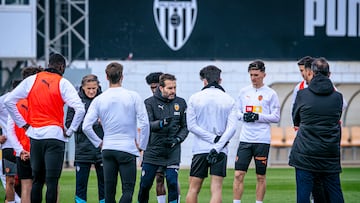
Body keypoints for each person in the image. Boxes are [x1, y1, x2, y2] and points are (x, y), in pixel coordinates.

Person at [5, 53, 86, 203]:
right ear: (62, 67)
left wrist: (23, 124)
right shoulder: (63, 82)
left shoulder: (31, 80)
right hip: (55, 136)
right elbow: (80, 109)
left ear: (49, 64)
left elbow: (9, 101)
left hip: (35, 136)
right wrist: (69, 131)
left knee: (37, 181)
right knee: (52, 182)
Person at [82, 62, 150, 203]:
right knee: (128, 190)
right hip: (127, 148)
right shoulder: (133, 96)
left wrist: (99, 143)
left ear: (106, 77)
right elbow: (144, 123)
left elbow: (86, 126)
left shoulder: (99, 99)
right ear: (122, 76)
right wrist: (142, 145)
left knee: (109, 192)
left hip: (108, 148)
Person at [289, 57, 345, 203]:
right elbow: (336, 118)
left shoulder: (302, 95)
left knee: (303, 195)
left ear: (312, 73)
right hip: (329, 154)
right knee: (334, 193)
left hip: (305, 153)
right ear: (329, 74)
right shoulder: (338, 97)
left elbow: (296, 119)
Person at [185, 65, 237, 203]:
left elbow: (192, 126)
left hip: (200, 148)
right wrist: (217, 144)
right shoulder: (229, 99)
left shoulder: (194, 98)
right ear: (220, 80)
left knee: (193, 188)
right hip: (220, 150)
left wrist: (212, 139)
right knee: (217, 188)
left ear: (205, 81)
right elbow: (232, 129)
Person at [233, 60, 280, 203]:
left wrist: (258, 117)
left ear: (264, 75)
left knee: (260, 176)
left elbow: (276, 117)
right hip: (245, 139)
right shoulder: (244, 91)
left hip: (262, 140)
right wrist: (244, 116)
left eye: (256, 75)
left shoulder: (271, 94)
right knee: (238, 174)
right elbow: (237, 112)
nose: (253, 78)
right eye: (251, 75)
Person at [138, 73, 188, 203]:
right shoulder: (149, 103)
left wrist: (177, 140)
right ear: (161, 88)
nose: (173, 91)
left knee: (172, 182)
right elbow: (147, 124)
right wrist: (161, 123)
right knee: (145, 185)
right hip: (153, 151)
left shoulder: (181, 102)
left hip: (172, 151)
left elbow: (185, 127)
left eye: (174, 88)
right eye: (170, 88)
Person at [6, 66, 44, 203]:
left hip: (22, 153)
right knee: (51, 184)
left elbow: (9, 130)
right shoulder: (41, 101)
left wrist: (20, 150)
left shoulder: (15, 101)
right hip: (39, 150)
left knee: (26, 187)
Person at [65, 74, 105, 203]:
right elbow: (69, 124)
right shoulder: (75, 102)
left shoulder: (104, 99)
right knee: (81, 187)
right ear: (83, 87)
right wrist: (92, 124)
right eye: (89, 88)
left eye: (94, 88)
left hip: (102, 150)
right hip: (83, 150)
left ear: (98, 86)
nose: (92, 91)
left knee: (105, 185)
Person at [145, 71, 171, 203]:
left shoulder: (175, 102)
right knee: (159, 177)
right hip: (155, 146)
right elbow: (147, 125)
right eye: (152, 87)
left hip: (171, 146)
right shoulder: (149, 103)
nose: (154, 90)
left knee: (172, 179)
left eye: (156, 87)